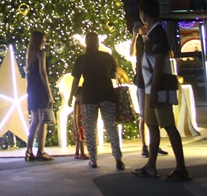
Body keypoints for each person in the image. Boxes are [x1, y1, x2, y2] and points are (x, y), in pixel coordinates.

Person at [132, 0, 190, 182]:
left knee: (169, 126)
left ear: (144, 14)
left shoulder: (157, 33)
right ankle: (151, 165)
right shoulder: (152, 33)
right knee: (152, 125)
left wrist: (155, 89)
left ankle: (181, 168)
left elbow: (159, 62)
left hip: (158, 88)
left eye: (141, 12)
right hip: (151, 88)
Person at [69, 31, 125, 170]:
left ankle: (93, 159)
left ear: (86, 42)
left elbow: (76, 79)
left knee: (89, 128)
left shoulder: (81, 59)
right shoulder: (107, 57)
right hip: (107, 94)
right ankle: (118, 158)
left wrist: (71, 95)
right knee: (111, 127)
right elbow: (113, 75)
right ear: (98, 42)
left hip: (89, 96)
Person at [130, 21, 168, 158]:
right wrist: (135, 36)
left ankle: (154, 145)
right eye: (141, 28)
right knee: (143, 115)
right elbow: (131, 53)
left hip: (151, 81)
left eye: (144, 27)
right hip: (141, 81)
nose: (143, 29)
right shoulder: (140, 43)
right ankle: (144, 146)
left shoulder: (152, 40)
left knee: (154, 117)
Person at [24, 30, 54, 162]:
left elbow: (28, 75)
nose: (44, 42)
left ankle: (28, 151)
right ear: (39, 41)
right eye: (43, 40)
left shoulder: (29, 55)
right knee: (43, 121)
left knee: (34, 120)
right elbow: (43, 72)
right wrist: (49, 92)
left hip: (32, 89)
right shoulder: (41, 53)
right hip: (40, 89)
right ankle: (41, 151)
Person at [72, 86, 88, 159]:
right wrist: (76, 125)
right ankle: (80, 153)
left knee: (81, 139)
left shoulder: (82, 103)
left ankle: (79, 153)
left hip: (82, 124)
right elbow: (75, 115)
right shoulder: (77, 103)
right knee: (79, 139)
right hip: (79, 124)